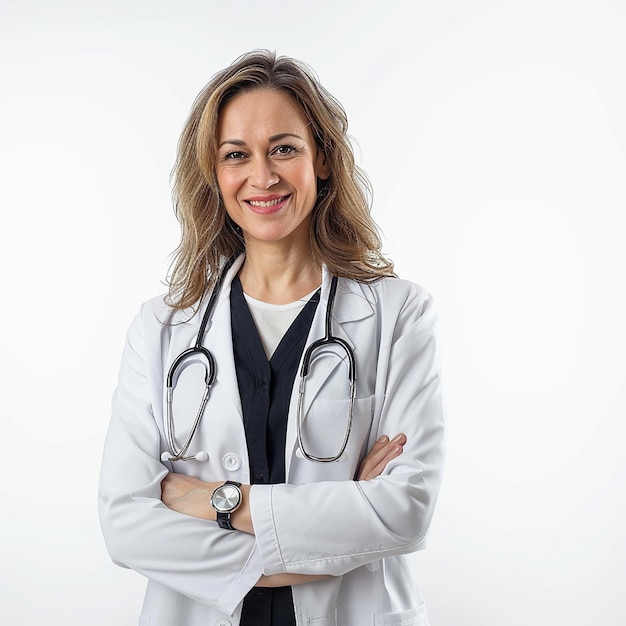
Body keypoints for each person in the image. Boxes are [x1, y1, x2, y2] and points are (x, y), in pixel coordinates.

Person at [98, 49, 445, 626]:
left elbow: (405, 511)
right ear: (215, 174)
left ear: (323, 160)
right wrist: (341, 530)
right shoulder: (161, 330)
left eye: (284, 148)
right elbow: (125, 525)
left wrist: (209, 501)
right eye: (237, 155)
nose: (263, 177)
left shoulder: (398, 314)